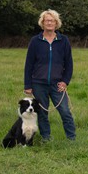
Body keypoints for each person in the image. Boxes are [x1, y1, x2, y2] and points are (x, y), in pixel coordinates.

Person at [23, 9, 76, 142]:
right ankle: (46, 138)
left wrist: (65, 81)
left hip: (57, 84)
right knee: (42, 113)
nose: (49, 23)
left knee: (65, 111)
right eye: (47, 20)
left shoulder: (63, 40)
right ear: (42, 23)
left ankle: (72, 138)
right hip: (38, 83)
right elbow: (29, 64)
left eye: (52, 20)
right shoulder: (35, 41)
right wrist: (28, 85)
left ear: (56, 23)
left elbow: (69, 63)